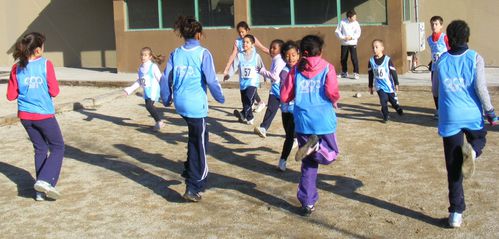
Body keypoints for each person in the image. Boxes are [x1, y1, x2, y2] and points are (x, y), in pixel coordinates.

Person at [432, 20, 497, 228]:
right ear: (467, 38)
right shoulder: (475, 58)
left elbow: (435, 90)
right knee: (480, 138)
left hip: (450, 116)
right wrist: (491, 112)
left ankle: (456, 214)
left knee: (453, 166)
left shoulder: (440, 61)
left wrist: (441, 108)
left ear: (447, 40)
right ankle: (474, 153)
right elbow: (480, 88)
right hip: (471, 115)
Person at [160, 16, 225, 202]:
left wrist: (166, 98)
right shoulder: (203, 53)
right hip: (196, 106)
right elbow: (212, 80)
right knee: (199, 144)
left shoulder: (175, 53)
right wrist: (220, 98)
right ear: (198, 34)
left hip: (181, 103)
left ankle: (189, 169)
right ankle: (194, 186)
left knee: (196, 137)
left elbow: (166, 78)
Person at [281, 35, 340, 216]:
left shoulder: (295, 70)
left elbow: (284, 97)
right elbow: (332, 91)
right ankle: (317, 147)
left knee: (308, 165)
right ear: (320, 51)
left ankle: (307, 202)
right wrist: (335, 99)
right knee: (331, 154)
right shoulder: (328, 67)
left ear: (301, 52)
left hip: (303, 123)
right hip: (323, 120)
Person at [7, 32, 65, 201]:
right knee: (57, 147)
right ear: (38, 49)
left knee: (40, 148)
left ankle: (40, 192)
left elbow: (11, 95)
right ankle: (45, 181)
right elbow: (54, 91)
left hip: (25, 117)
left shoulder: (16, 67)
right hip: (44, 115)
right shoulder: (46, 64)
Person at [223, 21, 269, 113]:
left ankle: (249, 110)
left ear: (247, 30)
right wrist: (227, 69)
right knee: (246, 88)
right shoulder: (237, 42)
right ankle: (256, 104)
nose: (241, 34)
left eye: (242, 32)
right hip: (243, 68)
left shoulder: (252, 39)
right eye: (239, 32)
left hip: (253, 67)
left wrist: (276, 55)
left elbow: (263, 48)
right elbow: (233, 55)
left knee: (251, 86)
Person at [224, 34, 265, 125]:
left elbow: (262, 67)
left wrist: (265, 76)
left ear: (252, 44)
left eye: (247, 42)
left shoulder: (256, 56)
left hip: (253, 83)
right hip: (243, 83)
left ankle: (246, 115)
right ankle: (246, 116)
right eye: (243, 42)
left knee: (248, 99)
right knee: (244, 101)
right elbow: (234, 67)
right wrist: (228, 75)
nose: (244, 44)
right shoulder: (239, 56)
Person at [123, 47, 165, 131]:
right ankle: (158, 122)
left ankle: (159, 122)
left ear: (150, 57)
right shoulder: (140, 68)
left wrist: (165, 90)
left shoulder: (153, 66)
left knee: (149, 106)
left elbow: (160, 79)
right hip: (146, 91)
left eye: (145, 55)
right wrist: (129, 90)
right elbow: (139, 81)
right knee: (148, 106)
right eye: (141, 55)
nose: (143, 57)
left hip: (153, 91)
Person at [254, 39, 286, 138]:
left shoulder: (279, 60)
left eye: (274, 48)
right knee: (271, 110)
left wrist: (262, 71)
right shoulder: (276, 58)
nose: (271, 50)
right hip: (275, 90)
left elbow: (274, 76)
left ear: (280, 50)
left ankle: (295, 135)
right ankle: (263, 128)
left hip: (282, 90)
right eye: (271, 47)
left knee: (288, 114)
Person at [276, 40, 300, 172]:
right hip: (287, 108)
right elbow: (286, 92)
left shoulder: (302, 69)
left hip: (298, 108)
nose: (290, 58)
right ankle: (283, 158)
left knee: (293, 134)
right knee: (289, 134)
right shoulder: (284, 72)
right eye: (287, 55)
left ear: (298, 54)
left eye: (293, 55)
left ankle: (283, 160)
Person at [368, 39, 404, 123]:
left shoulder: (387, 60)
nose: (374, 49)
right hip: (379, 86)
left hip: (388, 85)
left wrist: (396, 83)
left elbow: (393, 72)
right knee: (383, 100)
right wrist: (370, 85)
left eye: (377, 47)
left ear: (382, 48)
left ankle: (397, 107)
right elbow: (370, 74)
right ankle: (386, 115)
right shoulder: (371, 61)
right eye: (373, 47)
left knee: (392, 101)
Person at [427, 16, 450, 119]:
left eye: (436, 24)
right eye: (432, 24)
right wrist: (431, 62)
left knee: (445, 89)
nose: (434, 26)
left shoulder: (445, 37)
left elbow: (450, 51)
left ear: (441, 25)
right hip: (434, 69)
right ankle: (438, 110)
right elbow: (434, 53)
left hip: (444, 69)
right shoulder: (429, 39)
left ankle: (447, 109)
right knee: (435, 90)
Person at [335, 9, 361, 80]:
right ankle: (344, 72)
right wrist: (343, 37)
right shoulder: (342, 22)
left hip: (353, 43)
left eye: (355, 16)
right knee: (343, 58)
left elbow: (358, 33)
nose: (355, 18)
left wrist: (351, 37)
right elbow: (337, 31)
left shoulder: (356, 23)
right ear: (349, 17)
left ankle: (356, 73)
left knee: (354, 58)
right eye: (354, 17)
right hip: (344, 43)